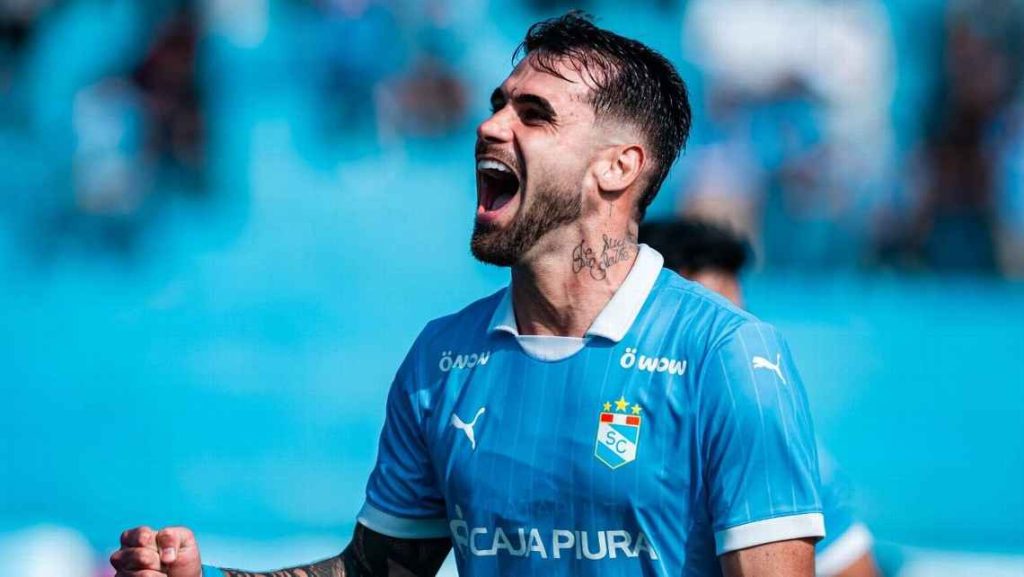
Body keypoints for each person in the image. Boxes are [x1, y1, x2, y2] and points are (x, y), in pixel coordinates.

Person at [110, 13, 825, 577]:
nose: (490, 126)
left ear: (617, 167)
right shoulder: (443, 359)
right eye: (498, 104)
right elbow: (375, 571)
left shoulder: (725, 357)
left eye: (534, 114)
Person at [640, 217, 881, 577]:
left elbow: (853, 569)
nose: (726, 345)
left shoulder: (775, 441)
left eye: (734, 321)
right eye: (703, 322)